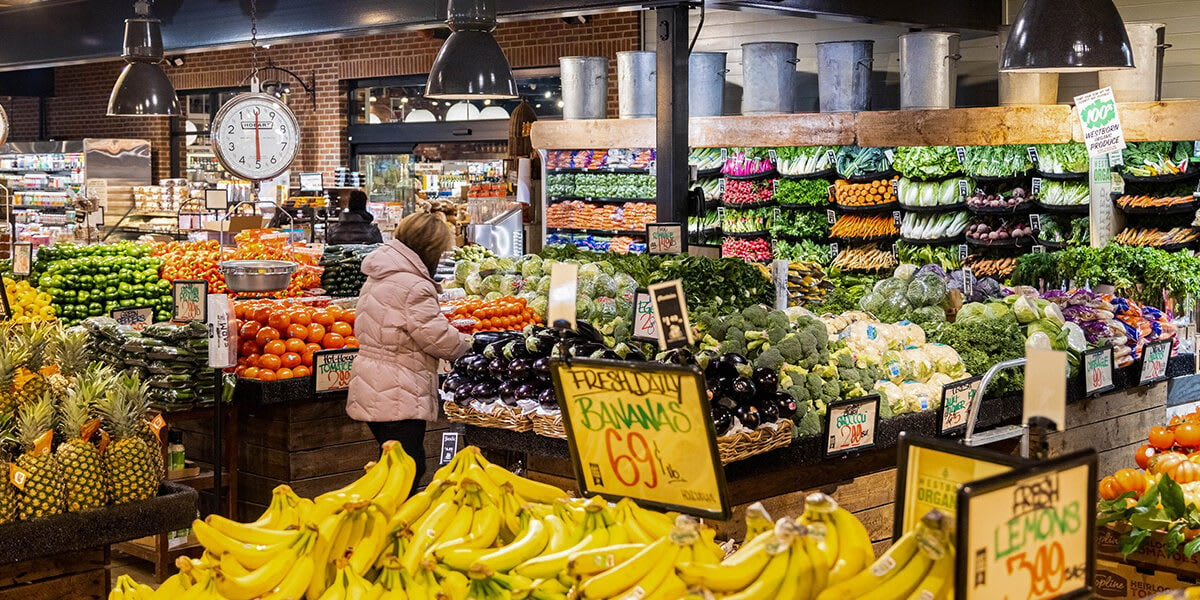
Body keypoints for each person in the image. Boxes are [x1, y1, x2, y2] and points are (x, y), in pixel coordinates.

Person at [345, 212, 469, 484]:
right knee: (407, 470)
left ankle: (384, 519)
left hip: (373, 384)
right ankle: (397, 523)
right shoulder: (413, 285)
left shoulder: (380, 273)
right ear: (429, 249)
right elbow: (436, 337)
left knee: (391, 468)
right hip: (397, 391)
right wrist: (468, 347)